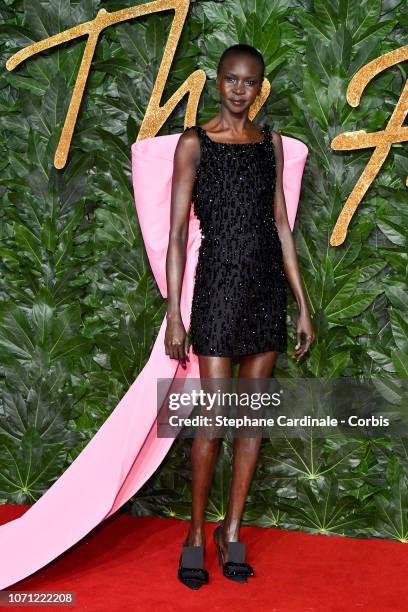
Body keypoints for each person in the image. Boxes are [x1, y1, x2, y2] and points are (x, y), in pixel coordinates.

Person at [165, 43, 314, 589]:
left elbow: (281, 223)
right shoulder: (194, 143)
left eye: (248, 82)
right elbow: (178, 234)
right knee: (212, 424)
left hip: (265, 292)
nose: (237, 89)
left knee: (249, 425)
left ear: (259, 88)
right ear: (217, 82)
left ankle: (232, 533)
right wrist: (175, 315)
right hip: (217, 293)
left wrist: (301, 304)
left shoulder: (270, 144)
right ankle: (192, 535)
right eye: (230, 79)